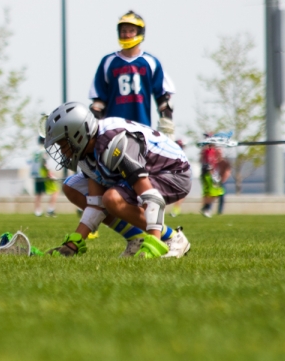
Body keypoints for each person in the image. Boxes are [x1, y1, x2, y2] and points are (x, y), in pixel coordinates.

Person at [43, 102, 191, 258]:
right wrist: (73, 244)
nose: (62, 151)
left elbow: (150, 196)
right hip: (151, 172)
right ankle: (136, 238)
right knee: (71, 187)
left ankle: (173, 238)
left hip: (174, 172)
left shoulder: (114, 141)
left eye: (63, 144)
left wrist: (154, 241)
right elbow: (96, 203)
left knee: (112, 198)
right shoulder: (87, 149)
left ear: (77, 135)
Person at [88, 10, 176, 139]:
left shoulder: (151, 62)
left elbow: (163, 99)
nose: (127, 34)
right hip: (112, 131)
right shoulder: (108, 62)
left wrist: (167, 124)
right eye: (123, 31)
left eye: (131, 31)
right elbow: (98, 102)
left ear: (140, 33)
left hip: (142, 130)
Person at [200, 141, 231, 217]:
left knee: (216, 194)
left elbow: (227, 172)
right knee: (211, 193)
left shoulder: (222, 161)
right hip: (211, 178)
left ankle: (208, 208)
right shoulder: (210, 155)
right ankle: (207, 208)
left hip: (217, 179)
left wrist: (221, 180)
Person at [32, 136, 59, 217]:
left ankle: (37, 211)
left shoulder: (36, 151)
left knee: (38, 193)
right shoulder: (44, 151)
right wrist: (50, 173)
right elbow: (45, 162)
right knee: (55, 190)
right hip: (43, 174)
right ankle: (50, 209)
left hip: (36, 174)